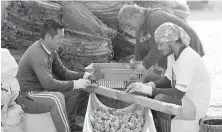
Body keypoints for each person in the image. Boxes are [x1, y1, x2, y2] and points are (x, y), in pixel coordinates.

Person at [126, 22, 211, 132]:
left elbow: (179, 93)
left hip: (194, 106)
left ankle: (163, 128)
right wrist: (148, 85)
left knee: (160, 99)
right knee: (149, 78)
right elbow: (168, 80)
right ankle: (157, 120)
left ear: (171, 41)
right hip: (183, 99)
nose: (159, 48)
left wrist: (148, 89)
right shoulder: (172, 55)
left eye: (161, 44)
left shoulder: (188, 59)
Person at [16, 19, 93, 132]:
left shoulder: (51, 51)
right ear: (48, 37)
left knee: (74, 91)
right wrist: (74, 83)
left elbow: (64, 73)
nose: (62, 41)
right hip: (27, 96)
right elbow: (49, 84)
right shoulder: (37, 53)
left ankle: (70, 125)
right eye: (59, 37)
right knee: (56, 98)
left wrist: (82, 75)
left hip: (40, 92)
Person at [118, 4, 205, 82]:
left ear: (134, 16)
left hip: (188, 46)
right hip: (171, 53)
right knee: (165, 80)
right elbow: (139, 49)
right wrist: (136, 63)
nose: (129, 29)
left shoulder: (156, 18)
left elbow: (158, 47)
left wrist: (144, 65)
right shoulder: (141, 27)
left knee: (181, 83)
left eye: (128, 25)